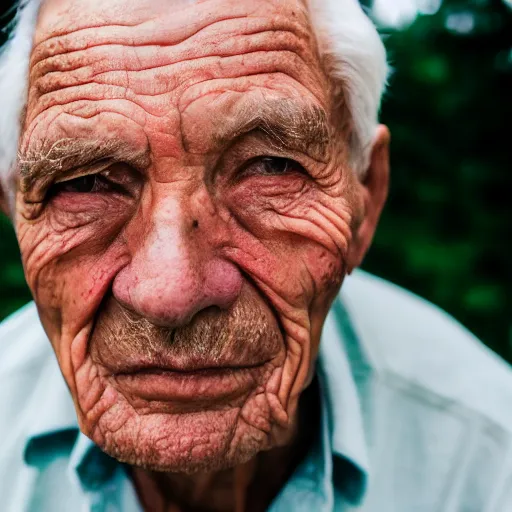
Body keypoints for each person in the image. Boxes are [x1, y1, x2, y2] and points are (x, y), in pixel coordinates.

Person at [0, 0, 511, 510]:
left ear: (366, 197)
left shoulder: (487, 463)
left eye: (269, 167)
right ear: (17, 210)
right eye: (86, 183)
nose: (172, 293)